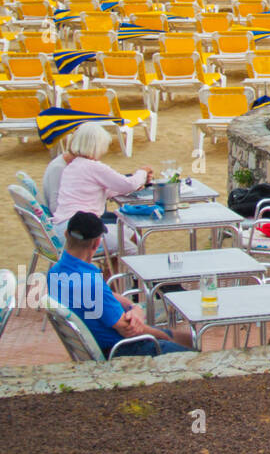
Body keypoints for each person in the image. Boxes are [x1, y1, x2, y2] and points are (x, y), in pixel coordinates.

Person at [46, 211, 193, 356]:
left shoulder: (55, 273)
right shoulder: (90, 282)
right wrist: (160, 334)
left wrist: (134, 307)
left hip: (101, 344)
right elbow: (128, 329)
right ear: (97, 243)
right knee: (192, 354)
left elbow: (109, 295)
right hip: (122, 349)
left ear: (66, 234)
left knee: (187, 339)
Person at [50, 124, 151, 255]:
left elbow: (101, 190)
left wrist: (134, 184)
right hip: (82, 231)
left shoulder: (73, 166)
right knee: (131, 250)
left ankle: (111, 274)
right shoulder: (93, 167)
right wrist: (143, 172)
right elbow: (129, 184)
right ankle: (116, 275)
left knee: (128, 234)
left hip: (65, 228)